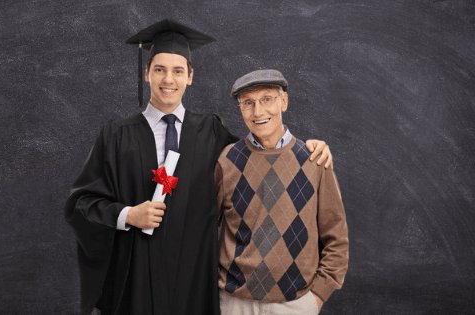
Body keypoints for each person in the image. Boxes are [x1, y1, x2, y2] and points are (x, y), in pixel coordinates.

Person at [65, 20, 333, 315]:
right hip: (136, 280)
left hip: (194, 278)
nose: (169, 79)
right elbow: (81, 205)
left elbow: (258, 156)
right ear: (147, 74)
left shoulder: (211, 132)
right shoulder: (116, 135)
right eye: (160, 69)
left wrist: (304, 147)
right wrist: (129, 215)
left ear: (191, 76)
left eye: (178, 70)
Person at [216, 69, 349, 315]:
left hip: (295, 304)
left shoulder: (314, 160)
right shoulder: (228, 160)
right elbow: (203, 228)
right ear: (241, 109)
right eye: (248, 103)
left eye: (267, 99)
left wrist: (318, 296)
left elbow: (337, 237)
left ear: (284, 102)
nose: (258, 112)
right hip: (235, 304)